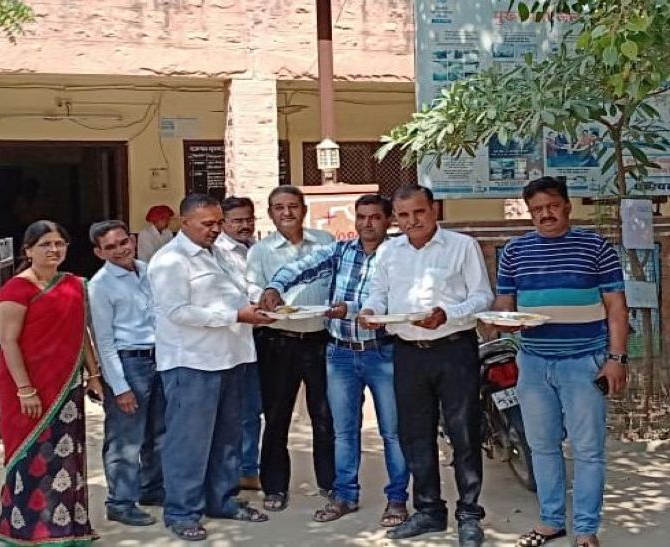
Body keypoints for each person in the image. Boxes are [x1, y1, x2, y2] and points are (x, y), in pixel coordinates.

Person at [492, 177, 628, 547]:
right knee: (541, 446)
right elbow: (505, 304)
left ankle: (585, 530)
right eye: (536, 209)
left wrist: (616, 358)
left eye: (552, 206)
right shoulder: (515, 252)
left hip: (584, 363)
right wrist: (500, 319)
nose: (545, 214)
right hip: (533, 363)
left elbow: (616, 307)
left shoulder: (595, 247)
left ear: (567, 205)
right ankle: (551, 521)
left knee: (588, 450)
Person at [260, 194, 410, 526]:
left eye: (375, 217)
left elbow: (395, 301)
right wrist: (275, 287)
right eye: (361, 216)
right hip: (340, 353)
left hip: (382, 352)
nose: (367, 223)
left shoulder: (399, 255)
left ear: (388, 220)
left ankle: (397, 500)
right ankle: (345, 496)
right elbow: (302, 267)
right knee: (343, 431)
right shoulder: (341, 250)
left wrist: (351, 310)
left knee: (393, 432)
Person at [359, 185, 494, 547]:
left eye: (419, 212)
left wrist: (447, 314)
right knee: (415, 434)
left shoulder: (462, 246)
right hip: (407, 352)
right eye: (403, 215)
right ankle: (429, 510)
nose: (412, 221)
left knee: (464, 432)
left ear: (434, 210)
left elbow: (482, 296)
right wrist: (370, 311)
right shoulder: (389, 251)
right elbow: (379, 294)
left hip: (453, 348)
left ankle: (469, 513)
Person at [148, 194, 272, 541]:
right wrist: (235, 315)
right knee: (189, 442)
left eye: (218, 222)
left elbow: (241, 289)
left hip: (231, 357)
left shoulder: (221, 253)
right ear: (184, 222)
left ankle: (222, 500)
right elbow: (177, 312)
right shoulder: (170, 261)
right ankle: (182, 512)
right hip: (192, 362)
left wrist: (262, 300)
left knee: (228, 437)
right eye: (207, 224)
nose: (215, 229)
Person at [0, 220, 104, 545]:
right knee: (30, 454)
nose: (54, 250)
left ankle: (67, 527)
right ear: (28, 250)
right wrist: (25, 389)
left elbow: (80, 334)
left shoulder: (73, 285)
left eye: (60, 243)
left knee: (65, 456)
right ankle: (25, 529)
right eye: (45, 244)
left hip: (67, 386)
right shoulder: (16, 289)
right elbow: (7, 341)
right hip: (26, 387)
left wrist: (94, 375)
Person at [247, 186, 335, 512]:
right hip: (278, 341)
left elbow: (337, 280)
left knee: (325, 415)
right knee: (276, 417)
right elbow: (252, 287)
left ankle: (330, 482)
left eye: (293, 206)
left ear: (304, 209)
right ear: (270, 213)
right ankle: (274, 487)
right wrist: (265, 299)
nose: (287, 213)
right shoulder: (261, 251)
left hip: (320, 339)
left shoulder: (325, 242)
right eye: (279, 207)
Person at [88, 220, 166, 527]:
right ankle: (120, 502)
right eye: (110, 247)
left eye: (123, 242)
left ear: (132, 240)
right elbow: (104, 341)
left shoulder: (148, 270)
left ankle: (152, 489)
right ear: (99, 252)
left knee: (159, 431)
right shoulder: (100, 286)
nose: (120, 250)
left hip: (159, 358)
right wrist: (120, 387)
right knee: (126, 437)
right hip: (129, 362)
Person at [216, 196, 262, 492]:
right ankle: (229, 473)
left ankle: (248, 469)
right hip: (229, 340)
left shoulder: (257, 249)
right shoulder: (217, 254)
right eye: (237, 221)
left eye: (249, 219)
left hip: (258, 337)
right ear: (224, 223)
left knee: (252, 409)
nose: (244, 225)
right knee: (233, 411)